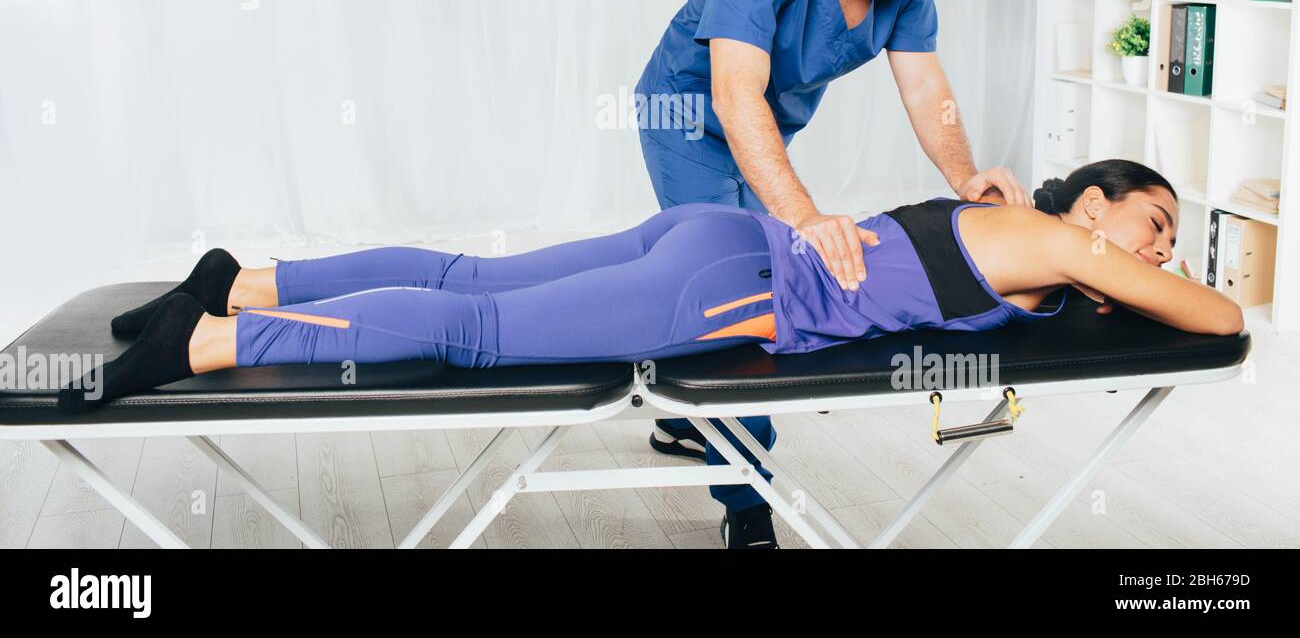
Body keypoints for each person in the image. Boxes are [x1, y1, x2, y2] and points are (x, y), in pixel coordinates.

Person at [60, 156, 1243, 520]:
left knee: (472, 272)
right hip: (726, 300)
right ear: (1092, 203)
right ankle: (210, 340)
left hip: (716, 232)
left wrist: (1107, 276)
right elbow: (1226, 314)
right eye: (1153, 224)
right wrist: (1143, 277)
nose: (1154, 251)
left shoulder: (1016, 226)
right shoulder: (1058, 240)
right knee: (472, 327)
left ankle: (243, 273)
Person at [633, 0, 1032, 543]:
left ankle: (683, 420)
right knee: (742, 281)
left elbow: (923, 84)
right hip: (690, 118)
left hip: (765, 128)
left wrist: (965, 175)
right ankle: (747, 508)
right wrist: (806, 216)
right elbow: (733, 95)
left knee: (753, 272)